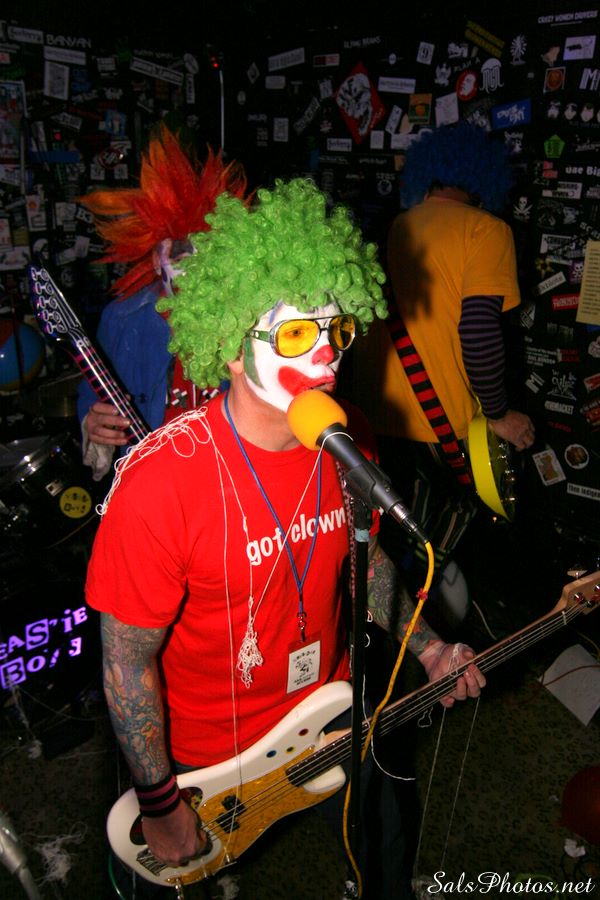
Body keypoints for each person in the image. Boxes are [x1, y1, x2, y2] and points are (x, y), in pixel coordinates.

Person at [85, 178, 486, 899]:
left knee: (384, 841)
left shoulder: (347, 442)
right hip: (206, 760)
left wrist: (429, 647)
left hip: (330, 714)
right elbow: (125, 661)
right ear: (231, 347)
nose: (326, 356)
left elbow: (366, 565)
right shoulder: (161, 483)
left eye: (337, 330)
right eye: (298, 334)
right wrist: (161, 802)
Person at [351, 122, 535, 592]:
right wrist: (498, 413)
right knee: (441, 541)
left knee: (385, 543)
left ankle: (385, 625)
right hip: (445, 429)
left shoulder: (388, 227)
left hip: (374, 421)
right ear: (484, 178)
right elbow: (478, 331)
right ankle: (423, 627)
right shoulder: (486, 230)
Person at [76, 124, 247, 480]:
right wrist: (92, 423)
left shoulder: (249, 315)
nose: (197, 271)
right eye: (182, 257)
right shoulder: (123, 318)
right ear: (157, 259)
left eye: (209, 255)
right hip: (152, 481)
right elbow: (92, 396)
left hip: (228, 481)